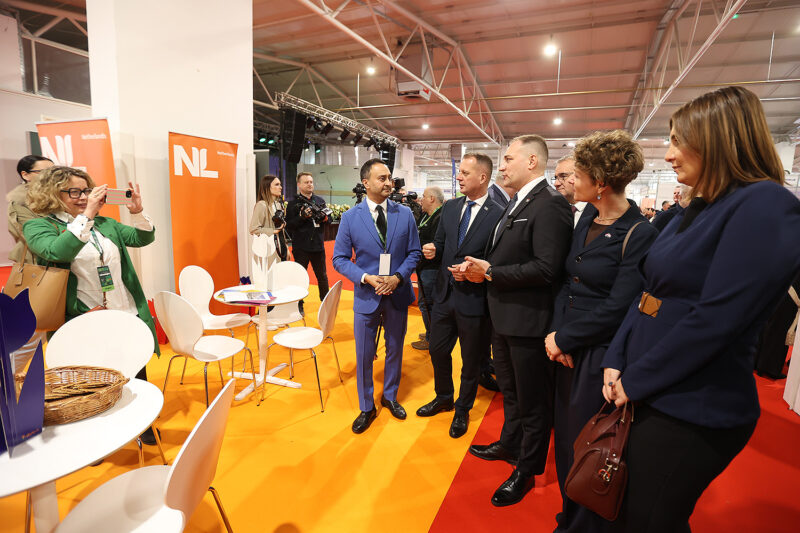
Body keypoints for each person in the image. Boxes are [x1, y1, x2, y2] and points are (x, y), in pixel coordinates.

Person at [602, 86, 800, 532]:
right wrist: (617, 357)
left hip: (694, 405)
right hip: (654, 386)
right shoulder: (700, 206)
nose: (668, 154)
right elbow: (649, 292)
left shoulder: (766, 205)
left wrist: (636, 379)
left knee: (650, 519)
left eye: (678, 140)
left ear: (717, 139)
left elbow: (718, 320)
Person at [544, 130, 659, 533]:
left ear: (601, 183)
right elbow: (566, 282)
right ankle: (569, 515)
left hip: (600, 355)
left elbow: (620, 306)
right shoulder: (587, 218)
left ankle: (584, 525)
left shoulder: (639, 233)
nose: (569, 181)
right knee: (565, 441)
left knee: (591, 445)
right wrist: (557, 336)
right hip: (566, 349)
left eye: (576, 175)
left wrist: (564, 339)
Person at [459, 135, 573, 506]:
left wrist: (491, 272)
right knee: (510, 392)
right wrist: (481, 269)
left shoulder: (550, 204)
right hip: (505, 318)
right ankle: (510, 444)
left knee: (533, 401)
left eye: (509, 158)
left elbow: (546, 268)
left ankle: (527, 469)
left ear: (532, 161)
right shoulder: (517, 201)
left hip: (529, 322)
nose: (502, 165)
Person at [23, 166, 161, 444]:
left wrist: (137, 212)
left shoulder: (105, 224)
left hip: (124, 311)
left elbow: (142, 238)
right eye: (74, 192)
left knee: (135, 368)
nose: (84, 197)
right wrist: (86, 216)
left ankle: (142, 424)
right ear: (52, 193)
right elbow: (57, 251)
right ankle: (98, 437)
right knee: (91, 380)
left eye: (86, 190)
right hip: (83, 318)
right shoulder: (39, 226)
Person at [416, 154, 504, 438]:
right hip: (445, 294)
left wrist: (476, 269)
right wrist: (434, 249)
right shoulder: (451, 208)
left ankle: (462, 409)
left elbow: (498, 257)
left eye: (465, 173)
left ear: (483, 177)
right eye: (460, 172)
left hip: (475, 298)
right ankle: (444, 397)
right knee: (437, 349)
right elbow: (442, 244)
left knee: (471, 360)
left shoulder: (499, 213)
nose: (458, 177)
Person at [332, 159, 422, 434]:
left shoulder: (405, 214)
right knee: (364, 353)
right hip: (366, 295)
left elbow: (414, 252)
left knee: (395, 347)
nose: (388, 183)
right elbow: (339, 259)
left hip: (397, 293)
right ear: (366, 183)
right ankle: (366, 406)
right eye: (382, 178)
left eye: (389, 178)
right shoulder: (350, 217)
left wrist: (398, 277)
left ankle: (390, 396)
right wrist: (365, 277)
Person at [6, 155, 54, 374]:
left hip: (58, 272)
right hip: (36, 273)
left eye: (54, 171)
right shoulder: (19, 203)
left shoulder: (55, 197)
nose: (51, 176)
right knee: (29, 335)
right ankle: (6, 381)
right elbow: (37, 240)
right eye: (44, 172)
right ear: (25, 175)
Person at [286, 172, 330, 311]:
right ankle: (299, 304)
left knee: (322, 276)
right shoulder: (293, 204)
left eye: (311, 182)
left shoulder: (320, 201)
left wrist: (324, 218)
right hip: (301, 247)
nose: (310, 184)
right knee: (300, 277)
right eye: (306, 182)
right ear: (299, 185)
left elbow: (328, 220)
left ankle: (326, 304)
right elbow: (289, 226)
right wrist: (302, 217)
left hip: (318, 245)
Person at [412, 186, 444, 351]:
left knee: (427, 304)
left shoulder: (441, 217)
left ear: (432, 198)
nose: (420, 200)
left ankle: (432, 338)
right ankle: (430, 333)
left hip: (432, 268)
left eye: (423, 196)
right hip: (423, 266)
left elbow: (437, 246)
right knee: (425, 302)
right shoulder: (426, 215)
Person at [249, 174, 287, 261]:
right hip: (269, 249)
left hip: (281, 248)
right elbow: (253, 229)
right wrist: (273, 231)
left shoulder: (278, 205)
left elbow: (281, 231)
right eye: (277, 185)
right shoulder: (261, 205)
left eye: (280, 184)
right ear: (267, 187)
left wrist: (286, 249)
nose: (280, 187)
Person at [553, 155, 587, 227]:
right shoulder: (556, 211)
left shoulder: (598, 212)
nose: (556, 184)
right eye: (556, 178)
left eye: (563, 176)